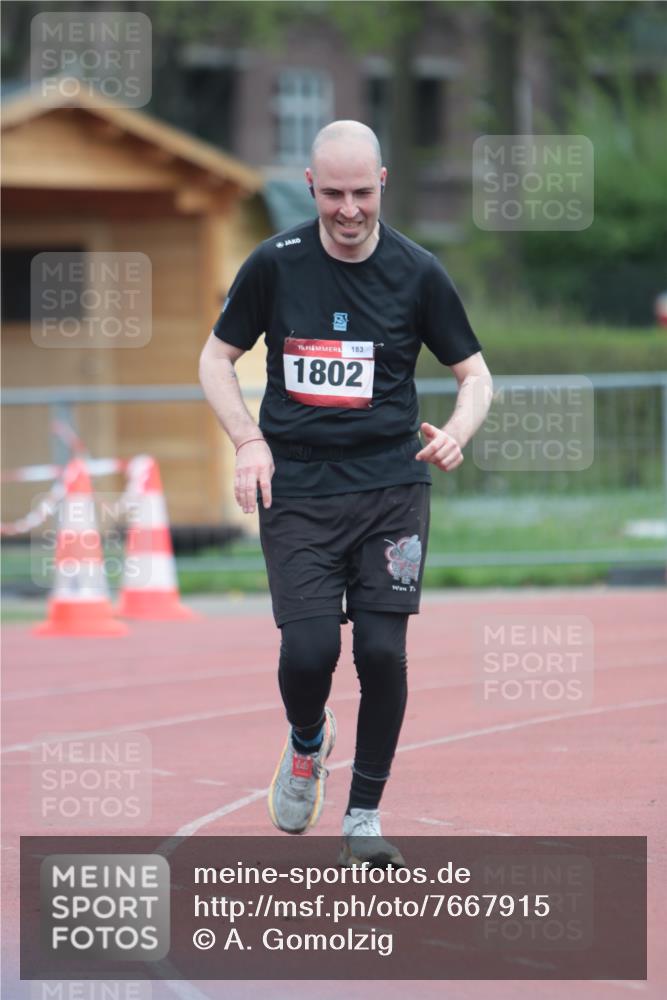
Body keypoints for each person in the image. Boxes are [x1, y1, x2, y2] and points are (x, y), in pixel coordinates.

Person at [199, 120, 493, 866]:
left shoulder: (418, 271)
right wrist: (248, 442)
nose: (349, 209)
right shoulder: (275, 263)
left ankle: (362, 815)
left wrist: (458, 428)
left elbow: (475, 374)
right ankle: (307, 742)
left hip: (389, 485)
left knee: (382, 652)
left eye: (361, 192)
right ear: (309, 187)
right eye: (332, 193)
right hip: (295, 484)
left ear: (383, 182)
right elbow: (214, 359)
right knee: (308, 650)